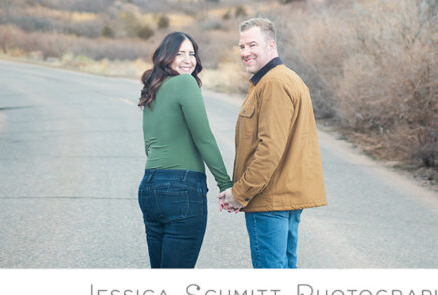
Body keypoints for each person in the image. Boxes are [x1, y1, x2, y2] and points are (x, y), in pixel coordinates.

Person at [219, 17, 326, 268]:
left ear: (271, 45)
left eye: (252, 45)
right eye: (242, 46)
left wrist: (240, 193)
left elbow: (269, 150)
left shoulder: (274, 83)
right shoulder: (281, 78)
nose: (245, 52)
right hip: (283, 197)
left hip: (269, 201)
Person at [137, 31, 232, 268]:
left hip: (150, 187)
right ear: (166, 57)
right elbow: (204, 139)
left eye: (192, 54)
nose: (188, 59)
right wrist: (226, 184)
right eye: (180, 54)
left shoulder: (153, 88)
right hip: (182, 189)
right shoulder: (185, 82)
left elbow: (149, 146)